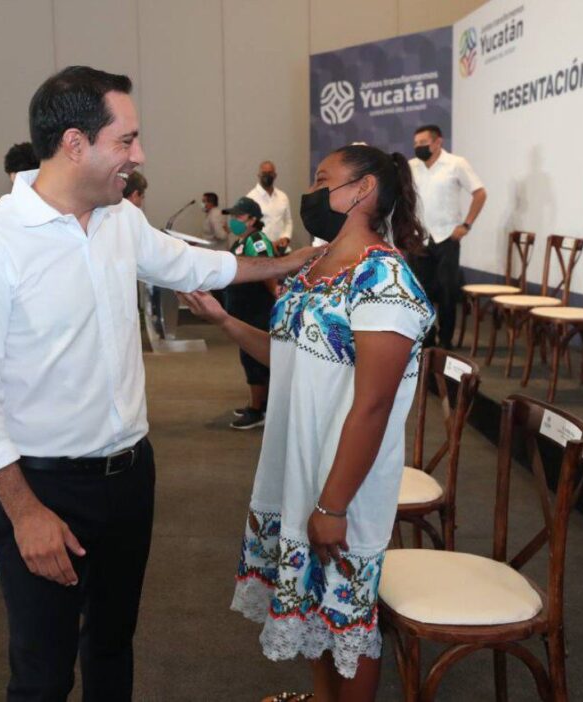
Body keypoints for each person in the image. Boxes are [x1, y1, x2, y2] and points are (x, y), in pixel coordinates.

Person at [0, 65, 314, 702]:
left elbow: (192, 264)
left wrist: (291, 262)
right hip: (44, 488)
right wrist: (25, 513)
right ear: (75, 144)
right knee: (42, 674)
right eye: (127, 140)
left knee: (113, 646)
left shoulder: (119, 220)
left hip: (130, 477)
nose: (138, 156)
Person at [181, 144, 434, 702]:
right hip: (299, 465)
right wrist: (224, 321)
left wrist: (333, 506)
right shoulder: (313, 268)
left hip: (344, 478)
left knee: (347, 618)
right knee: (315, 614)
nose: (311, 192)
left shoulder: (385, 280)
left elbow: (374, 405)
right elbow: (288, 356)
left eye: (324, 180)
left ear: (362, 189)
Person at [409, 124, 487, 349]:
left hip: (447, 238)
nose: (418, 147)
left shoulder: (456, 164)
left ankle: (445, 341)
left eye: (423, 143)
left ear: (437, 142)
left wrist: (466, 225)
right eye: (415, 144)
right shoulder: (411, 166)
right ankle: (427, 338)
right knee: (419, 293)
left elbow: (480, 193)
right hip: (419, 238)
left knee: (447, 292)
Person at [221, 196, 277, 430]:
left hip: (257, 310)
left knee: (254, 359)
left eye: (239, 216)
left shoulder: (257, 240)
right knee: (249, 357)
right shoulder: (241, 241)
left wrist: (276, 294)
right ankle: (260, 403)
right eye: (232, 216)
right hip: (243, 310)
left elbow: (267, 270)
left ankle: (257, 410)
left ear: (253, 220)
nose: (234, 220)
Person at [248, 160, 293, 252]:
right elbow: (248, 228)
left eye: (270, 173)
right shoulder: (250, 198)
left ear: (275, 175)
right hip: (260, 251)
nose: (267, 176)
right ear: (258, 175)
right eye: (264, 173)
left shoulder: (283, 196)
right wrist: (268, 244)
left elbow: (288, 221)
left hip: (282, 249)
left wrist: (286, 237)